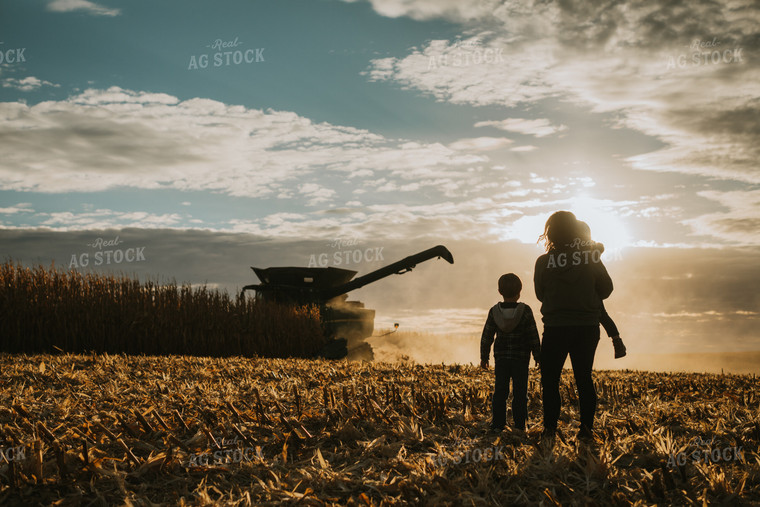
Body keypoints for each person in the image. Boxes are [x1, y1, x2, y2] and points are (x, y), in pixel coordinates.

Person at [534, 211, 613, 442]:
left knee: (550, 380)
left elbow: (540, 295)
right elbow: (607, 289)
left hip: (556, 327)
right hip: (586, 327)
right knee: (584, 379)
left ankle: (549, 430)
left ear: (551, 232)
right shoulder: (591, 258)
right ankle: (586, 431)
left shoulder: (543, 262)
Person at [480, 273, 541, 432]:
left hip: (501, 358)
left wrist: (484, 357)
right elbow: (533, 335)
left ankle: (498, 424)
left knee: (500, 391)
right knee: (520, 393)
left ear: (500, 291)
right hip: (521, 359)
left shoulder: (494, 311)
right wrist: (538, 355)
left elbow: (487, 336)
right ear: (519, 292)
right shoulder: (525, 310)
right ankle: (520, 425)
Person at [575, 221, 626, 359]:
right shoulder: (591, 250)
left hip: (589, 290)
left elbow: (600, 247)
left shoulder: (583, 251)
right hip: (593, 290)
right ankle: (617, 340)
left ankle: (617, 340)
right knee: (603, 314)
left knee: (602, 313)